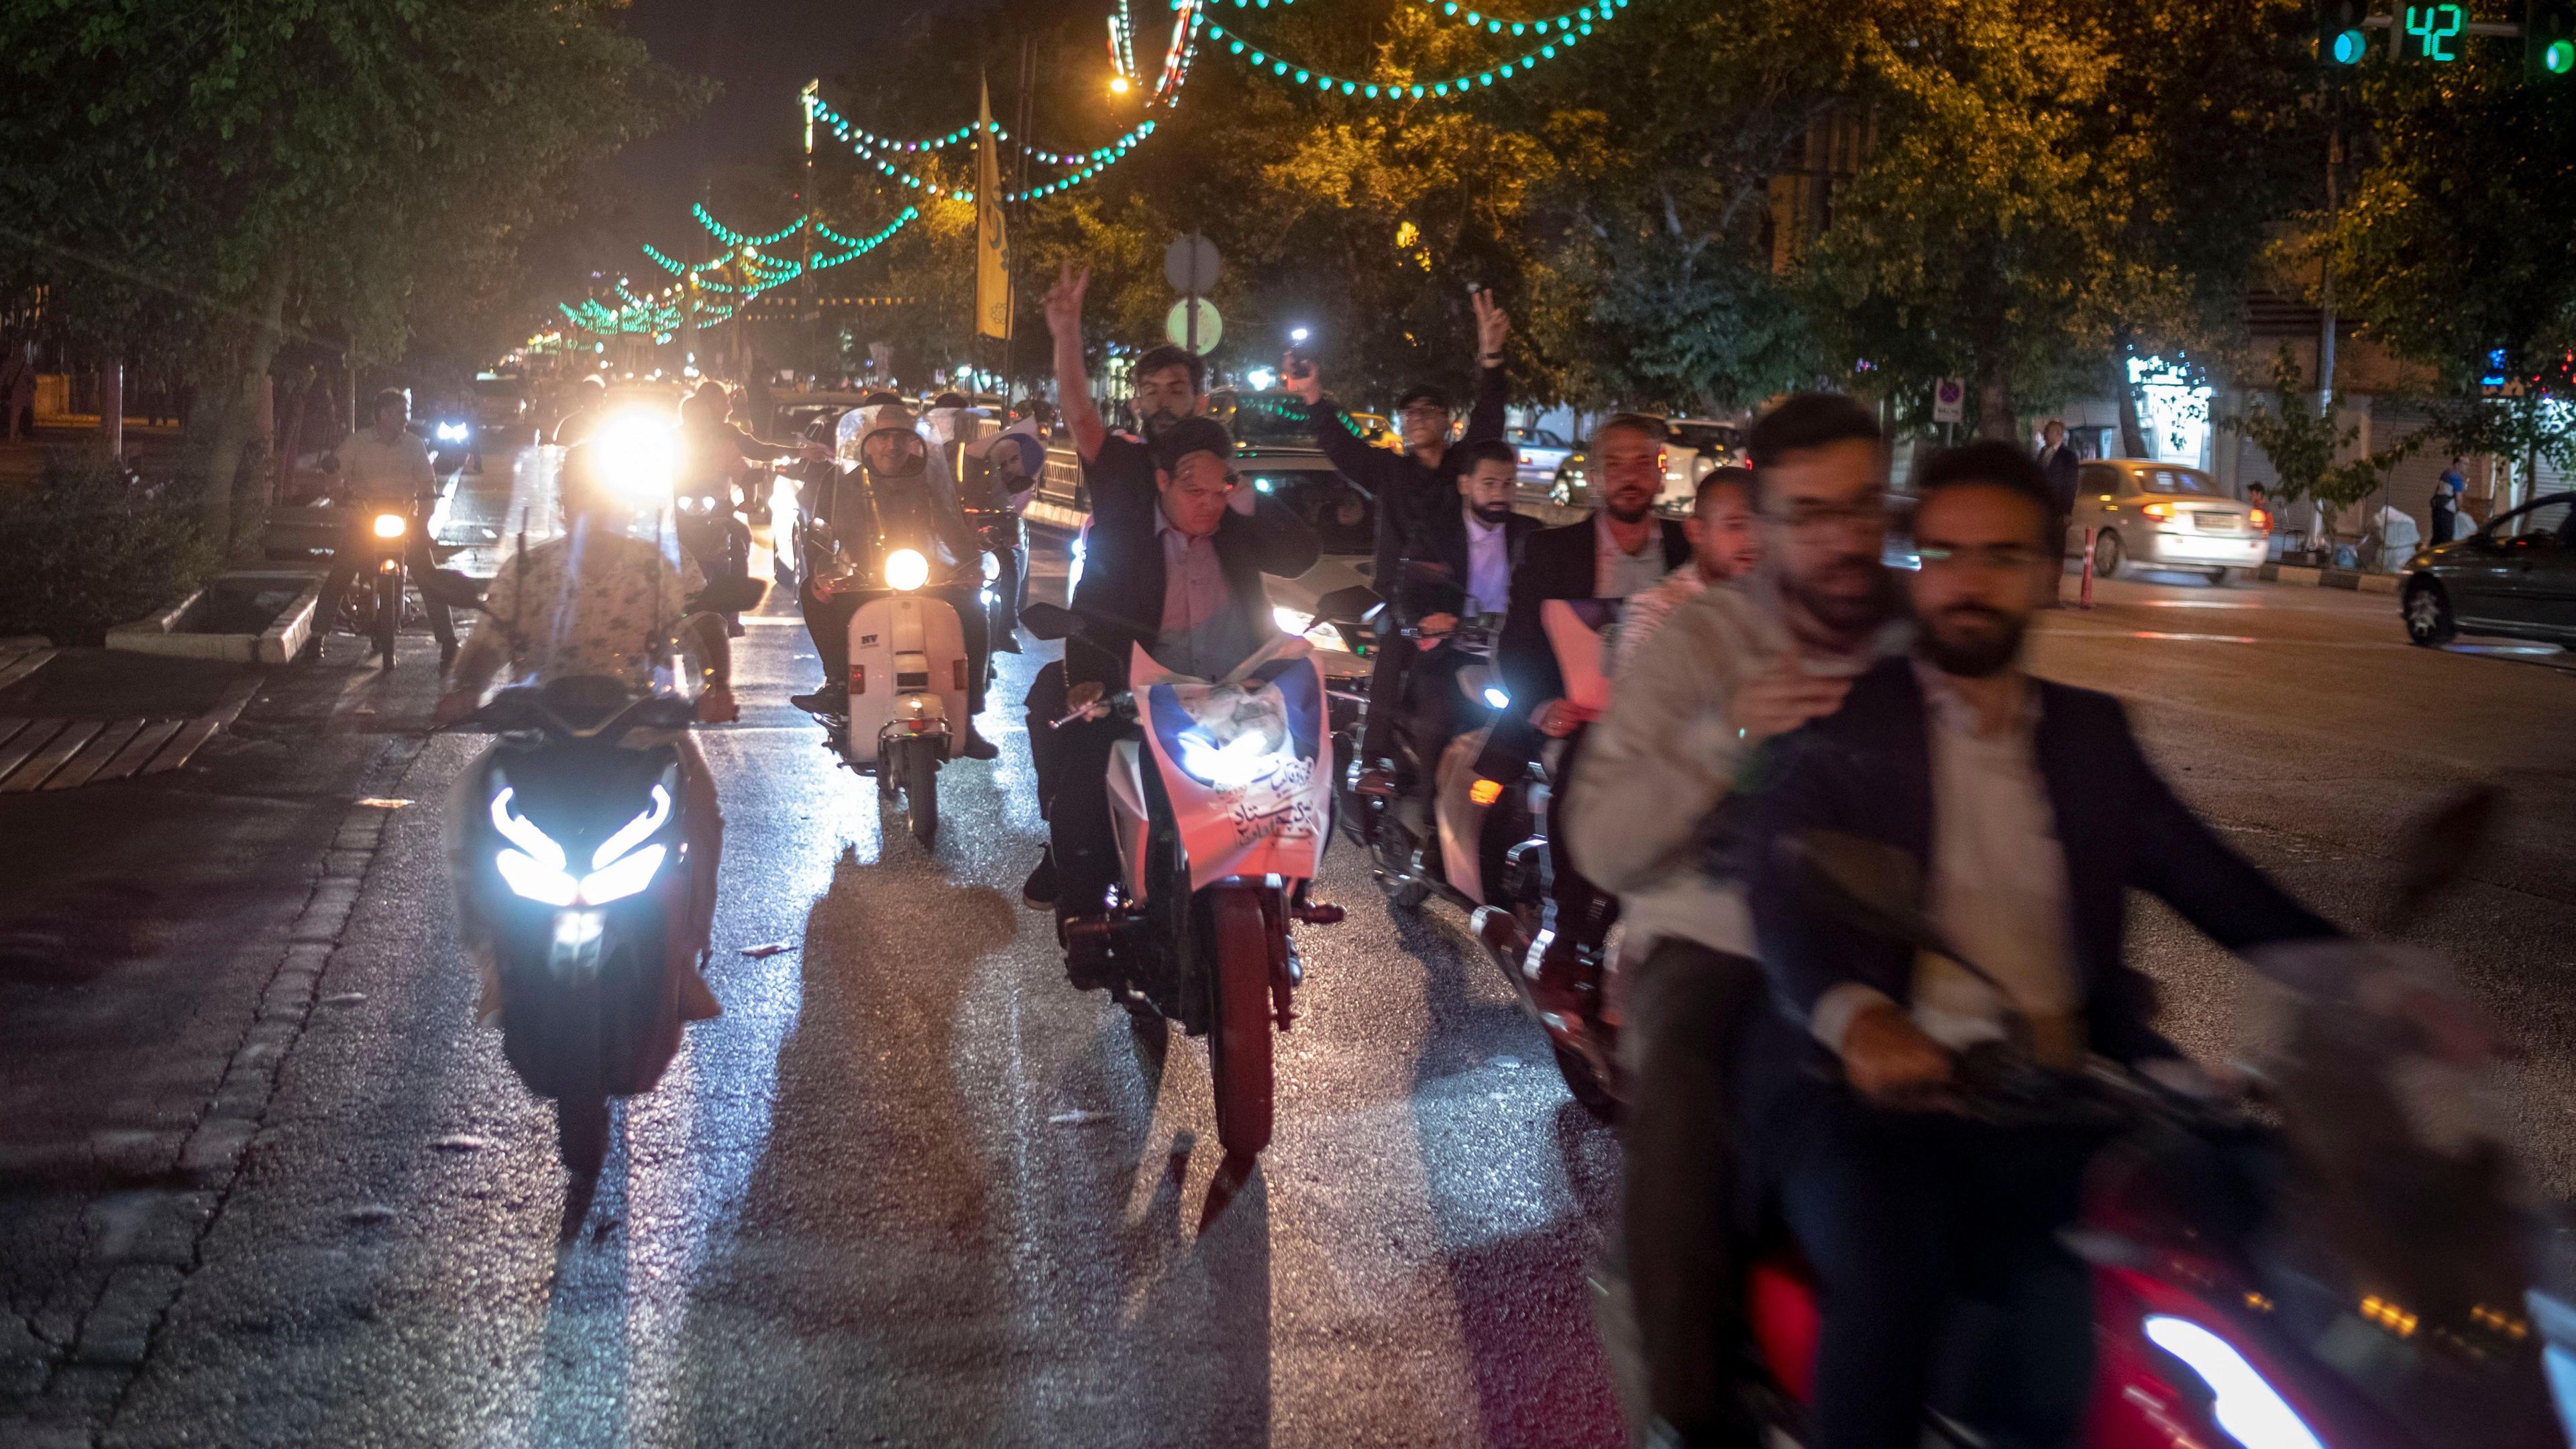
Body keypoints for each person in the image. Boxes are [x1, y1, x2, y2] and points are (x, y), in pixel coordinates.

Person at [1737, 440, 2375, 1449]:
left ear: (2047, 570)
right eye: (1945, 555)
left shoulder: (2092, 734)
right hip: (1866, 1103)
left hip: (2055, 1093)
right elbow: (1783, 890)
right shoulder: (1846, 720)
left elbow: (2216, 883)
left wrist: (2370, 983)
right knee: (1891, 1268)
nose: (1969, 582)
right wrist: (1857, 1022)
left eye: (2001, 556)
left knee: (2279, 1214)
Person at [1568, 395, 1906, 1449]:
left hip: (1893, 944)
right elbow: (1605, 843)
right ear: (1763, 524)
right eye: (1809, 514)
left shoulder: (1927, 633)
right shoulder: (1702, 640)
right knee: (1690, 1081)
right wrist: (1733, 733)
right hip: (1715, 940)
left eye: (1861, 508)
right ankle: (1687, 1406)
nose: (1843, 538)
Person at [432, 439, 738, 1032]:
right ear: (564, 501)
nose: (596, 508)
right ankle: (495, 962)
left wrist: (717, 684)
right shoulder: (528, 570)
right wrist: (463, 691)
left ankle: (683, 957)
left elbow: (700, 623)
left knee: (703, 812)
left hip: (644, 724)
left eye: (607, 496)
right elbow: (486, 646)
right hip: (538, 731)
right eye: (583, 495)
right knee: (466, 805)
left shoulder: (658, 567)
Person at [1032, 415, 1320, 937]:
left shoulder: (1237, 529)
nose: (1209, 504)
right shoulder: (1125, 537)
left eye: (1220, 490)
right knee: (1084, 782)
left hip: (1238, 698)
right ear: (1162, 480)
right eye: (1195, 490)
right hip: (1149, 698)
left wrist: (1249, 500)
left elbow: (1301, 556)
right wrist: (1094, 681)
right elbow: (1091, 614)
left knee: (1314, 767)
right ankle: (1084, 913)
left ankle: (1291, 901)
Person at [1019, 260, 1226, 907]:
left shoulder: (1223, 471)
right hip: (1115, 655)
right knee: (1060, 725)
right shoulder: (1119, 460)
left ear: (1200, 398)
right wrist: (1066, 333)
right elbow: (1078, 408)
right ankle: (1065, 851)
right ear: (1137, 400)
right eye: (1153, 389)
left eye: (1178, 387)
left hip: (1210, 665)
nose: (1166, 398)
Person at [1485, 412, 1690, 1016]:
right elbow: (1518, 645)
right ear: (1596, 476)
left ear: (1658, 473)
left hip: (1676, 723)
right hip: (1587, 723)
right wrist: (1543, 703)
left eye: (1641, 463)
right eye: (1614, 464)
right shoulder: (1553, 551)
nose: (1628, 477)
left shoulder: (1689, 549)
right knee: (1586, 782)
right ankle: (1573, 938)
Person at [1283, 289, 1510, 766]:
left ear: (1449, 423)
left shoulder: (1464, 470)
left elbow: (1490, 423)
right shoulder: (1390, 472)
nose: (1415, 421)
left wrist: (1492, 360)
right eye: (1408, 414)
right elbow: (1345, 452)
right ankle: (1373, 763)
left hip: (1461, 604)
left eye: (1426, 412)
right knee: (1392, 650)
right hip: (1401, 600)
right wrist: (1312, 399)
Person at [792, 403, 1000, 759]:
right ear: (867, 442)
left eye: (901, 437)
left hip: (930, 577)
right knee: (813, 595)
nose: (892, 445)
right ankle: (838, 682)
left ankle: (969, 714)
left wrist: (970, 562)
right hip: (863, 578)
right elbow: (821, 531)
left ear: (914, 442)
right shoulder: (843, 482)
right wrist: (822, 571)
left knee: (976, 610)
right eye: (883, 436)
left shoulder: (932, 481)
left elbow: (953, 527)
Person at [1381, 436, 1541, 768]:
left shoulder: (1532, 534)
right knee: (1436, 719)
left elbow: (1551, 594)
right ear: (1465, 485)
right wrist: (1425, 622)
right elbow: (1405, 595)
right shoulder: (1434, 534)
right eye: (1489, 483)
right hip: (1450, 655)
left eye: (1508, 484)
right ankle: (1429, 808)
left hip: (1512, 658)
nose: (1500, 493)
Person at [321, 388, 455, 665]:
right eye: (399, 413)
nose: (405, 418)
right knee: (342, 571)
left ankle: (449, 639)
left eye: (406, 412)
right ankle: (316, 636)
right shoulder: (357, 443)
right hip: (365, 520)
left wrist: (424, 520)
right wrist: (339, 491)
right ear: (382, 415)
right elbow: (336, 473)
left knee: (429, 575)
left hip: (405, 518)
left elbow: (428, 484)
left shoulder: (415, 445)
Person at [1605, 466, 1762, 680]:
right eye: (1736, 525)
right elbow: (1637, 703)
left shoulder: (1778, 605)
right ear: (1696, 531)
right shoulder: (1659, 609)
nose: (1753, 541)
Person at [2035, 420, 2080, 602]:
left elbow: (2071, 485)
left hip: (2058, 511)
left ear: (2058, 434)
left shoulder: (2068, 456)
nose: (2046, 435)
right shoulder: (2043, 453)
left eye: (2049, 432)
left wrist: (2067, 511)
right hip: (2043, 511)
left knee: (2056, 552)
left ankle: (2053, 591)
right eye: (2046, 432)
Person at [550, 376, 609, 448]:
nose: (592, 399)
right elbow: (561, 449)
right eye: (588, 396)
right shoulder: (569, 423)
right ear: (581, 398)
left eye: (595, 396)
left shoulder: (609, 423)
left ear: (601, 397)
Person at [2432, 461, 2465, 544]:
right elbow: (2459, 498)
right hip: (2448, 510)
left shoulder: (2446, 473)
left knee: (2437, 536)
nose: (2467, 466)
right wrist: (2459, 509)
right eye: (2465, 464)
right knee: (2446, 538)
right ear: (2457, 464)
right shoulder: (2456, 476)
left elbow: (2438, 489)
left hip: (2437, 507)